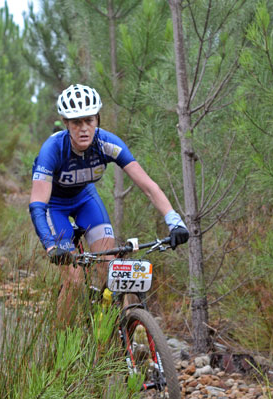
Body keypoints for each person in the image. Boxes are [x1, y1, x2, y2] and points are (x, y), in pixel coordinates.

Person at [29, 84, 189, 320]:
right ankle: (58, 345)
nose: (84, 128)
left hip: (86, 200)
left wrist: (174, 221)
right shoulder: (52, 149)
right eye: (76, 122)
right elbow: (38, 204)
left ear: (98, 119)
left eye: (89, 120)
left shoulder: (108, 144)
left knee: (112, 269)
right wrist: (51, 246)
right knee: (74, 281)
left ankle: (117, 333)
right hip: (56, 207)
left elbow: (148, 186)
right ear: (66, 123)